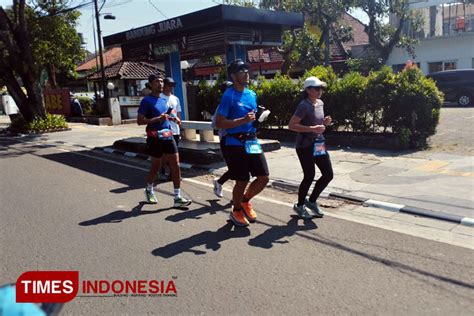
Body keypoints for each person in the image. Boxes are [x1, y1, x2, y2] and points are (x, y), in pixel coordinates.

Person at [215, 59, 269, 227]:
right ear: (233, 75)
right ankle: (236, 210)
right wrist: (242, 120)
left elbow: (251, 119)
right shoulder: (228, 96)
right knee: (242, 180)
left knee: (263, 177)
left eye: (247, 71)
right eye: (241, 71)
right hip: (235, 143)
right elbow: (219, 123)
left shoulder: (251, 94)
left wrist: (258, 119)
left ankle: (245, 201)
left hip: (252, 141)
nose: (246, 74)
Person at [137, 74, 192, 208]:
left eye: (162, 82)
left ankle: (177, 197)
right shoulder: (147, 101)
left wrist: (174, 119)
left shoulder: (164, 100)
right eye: (157, 82)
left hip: (168, 135)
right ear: (150, 84)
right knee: (156, 166)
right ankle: (149, 189)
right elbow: (140, 121)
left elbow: (167, 115)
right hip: (154, 137)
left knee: (176, 165)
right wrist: (157, 119)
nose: (160, 84)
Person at [288, 76, 334, 219]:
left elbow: (318, 124)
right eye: (316, 88)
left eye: (321, 88)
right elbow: (292, 125)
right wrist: (312, 128)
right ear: (308, 90)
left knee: (328, 174)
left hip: (319, 143)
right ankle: (300, 205)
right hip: (305, 145)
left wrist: (325, 123)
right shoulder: (303, 105)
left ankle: (312, 201)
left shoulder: (320, 103)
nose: (320, 90)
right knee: (309, 176)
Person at [212, 81, 233, 198]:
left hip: (242, 140)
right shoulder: (222, 106)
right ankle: (219, 182)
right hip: (227, 140)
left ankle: (219, 182)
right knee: (235, 168)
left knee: (244, 168)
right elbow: (215, 124)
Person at [159, 77, 182, 179]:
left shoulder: (175, 98)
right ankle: (162, 169)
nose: (171, 87)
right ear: (164, 85)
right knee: (165, 153)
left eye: (173, 85)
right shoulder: (159, 97)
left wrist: (180, 126)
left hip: (175, 130)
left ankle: (173, 173)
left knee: (174, 153)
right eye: (169, 85)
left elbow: (178, 114)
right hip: (164, 129)